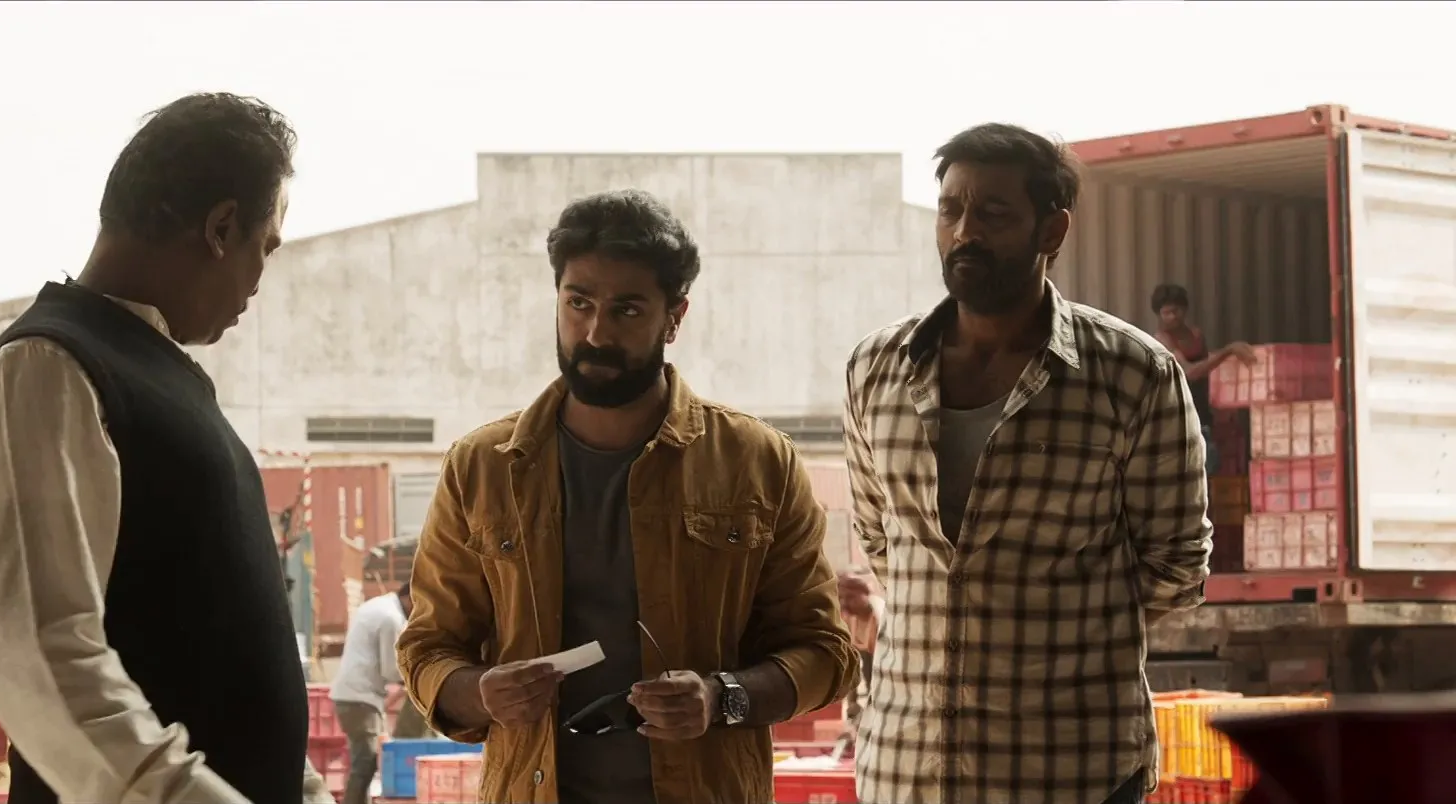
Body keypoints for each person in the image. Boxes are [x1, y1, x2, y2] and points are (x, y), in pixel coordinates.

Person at [397, 189, 860, 804]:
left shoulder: (757, 462)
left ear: (674, 317)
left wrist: (721, 698)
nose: (596, 332)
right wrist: (482, 693)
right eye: (578, 303)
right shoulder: (482, 467)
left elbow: (825, 652)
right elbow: (429, 649)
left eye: (627, 310)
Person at [0, 92, 327, 804]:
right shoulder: (44, 371)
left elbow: (228, 656)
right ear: (221, 227)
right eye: (264, 248)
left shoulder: (169, 383)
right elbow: (44, 663)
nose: (258, 281)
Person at [843, 123, 1213, 804]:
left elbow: (1176, 566)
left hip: (1068, 771)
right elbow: (881, 539)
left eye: (993, 213)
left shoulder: (1133, 375)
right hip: (905, 771)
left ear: (1052, 230)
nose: (964, 233)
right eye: (951, 210)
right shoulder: (876, 369)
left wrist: (1051, 629)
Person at [1150, 283, 1255, 472]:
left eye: (1176, 311)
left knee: (1209, 465)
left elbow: (1210, 370)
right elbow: (1189, 372)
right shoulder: (1161, 340)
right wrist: (1228, 351)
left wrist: (1223, 406)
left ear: (1184, 309)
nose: (1172, 317)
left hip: (1201, 412)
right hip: (1175, 416)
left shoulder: (1196, 336)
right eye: (1166, 313)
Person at [329, 583, 414, 804]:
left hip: (351, 695)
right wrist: (418, 681)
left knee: (363, 762)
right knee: (365, 764)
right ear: (410, 598)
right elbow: (391, 669)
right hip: (360, 698)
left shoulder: (377, 605)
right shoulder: (391, 618)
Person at [827, 569, 883, 761]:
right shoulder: (848, 619)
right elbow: (851, 666)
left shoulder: (881, 617)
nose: (844, 603)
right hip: (865, 670)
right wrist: (851, 705)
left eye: (850, 597)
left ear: (865, 593)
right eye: (841, 598)